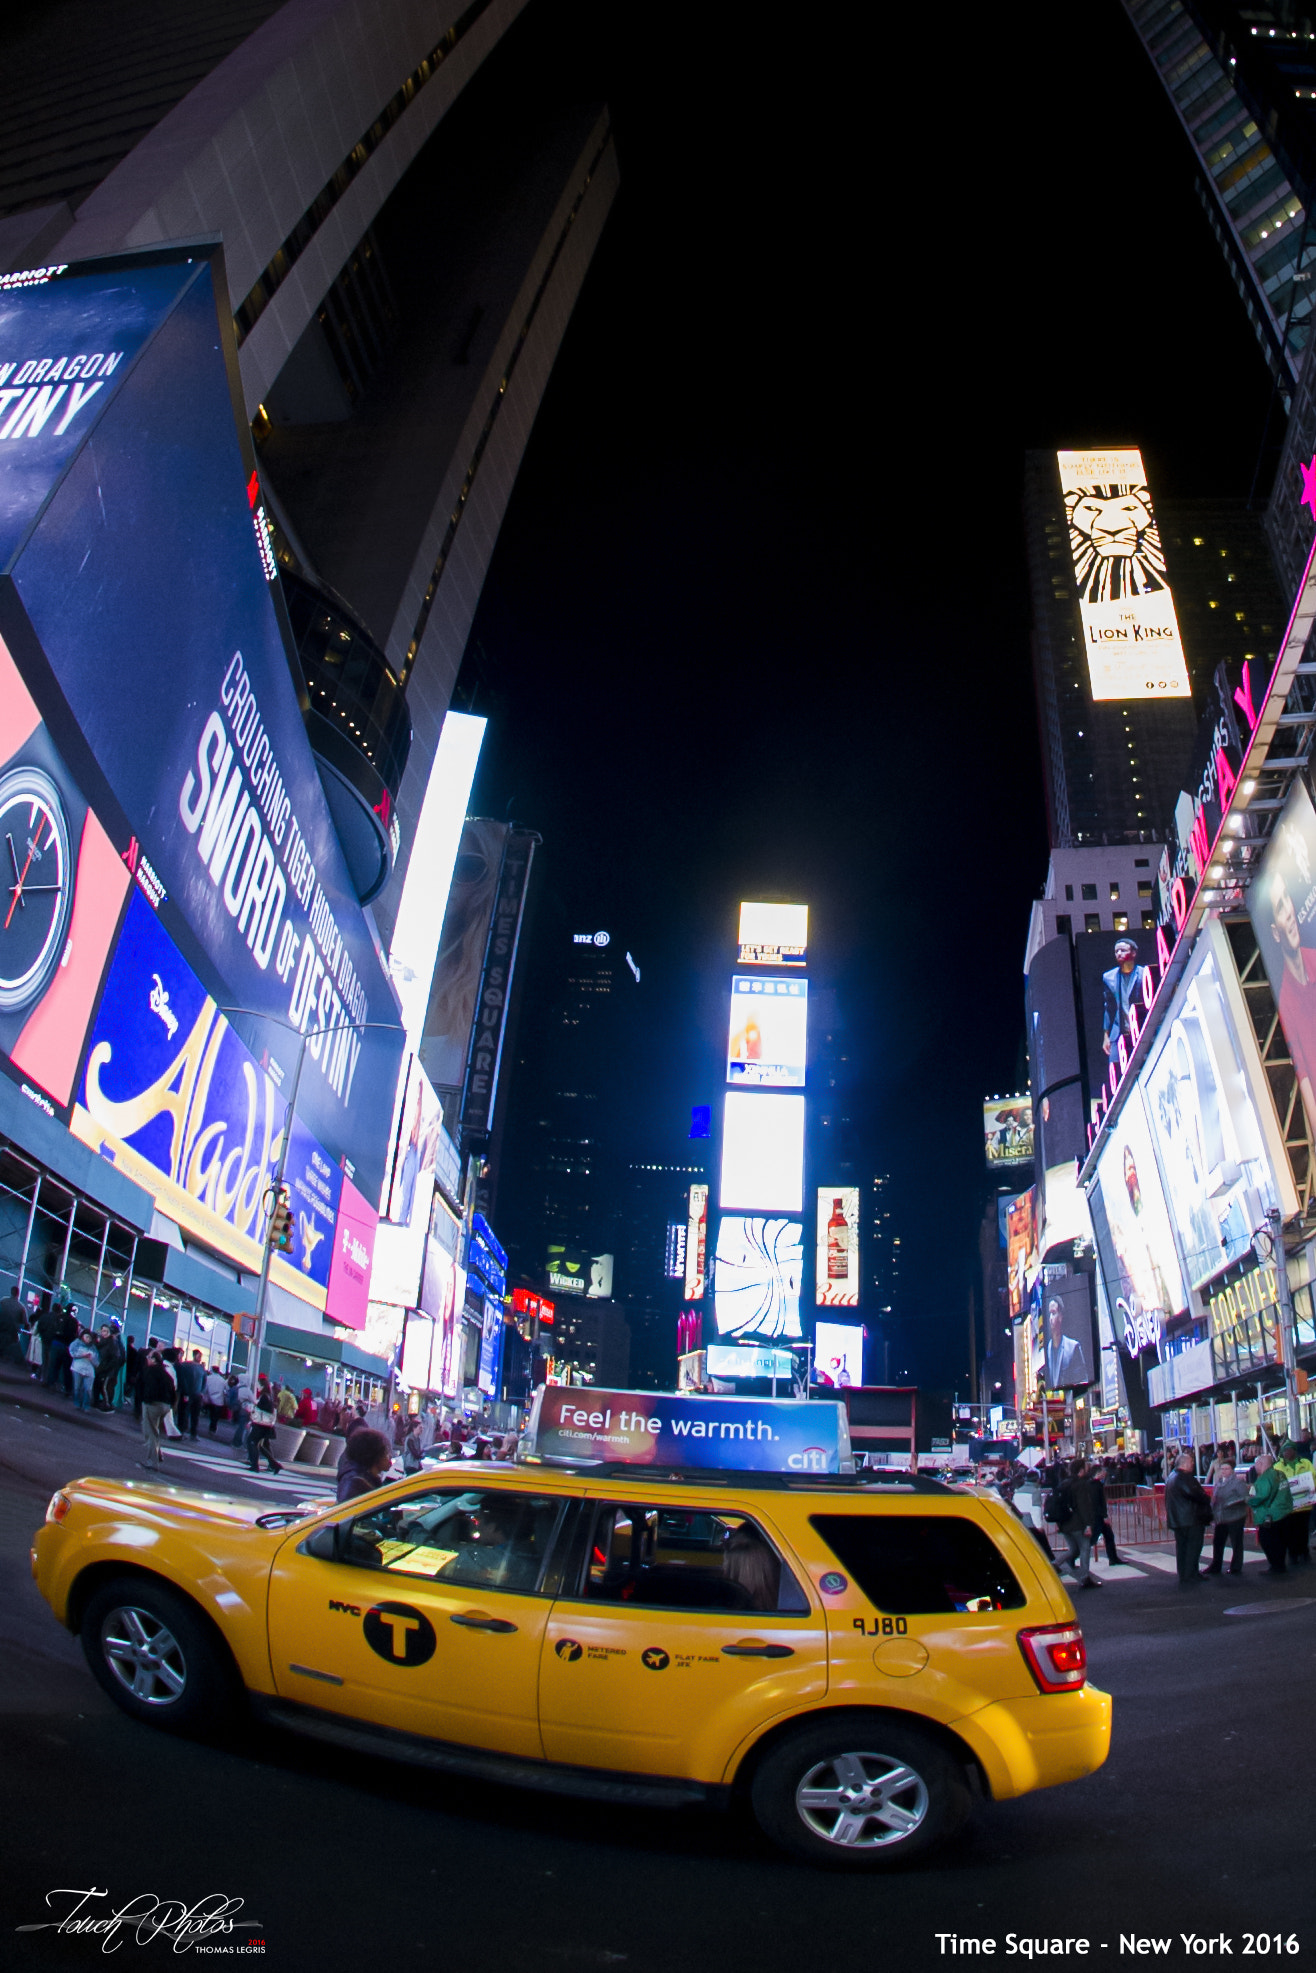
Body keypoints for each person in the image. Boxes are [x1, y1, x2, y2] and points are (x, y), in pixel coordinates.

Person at [1165, 1452, 1213, 1587]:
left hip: (1179, 1519)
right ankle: (1190, 1574)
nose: (1193, 1464)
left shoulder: (1172, 1477)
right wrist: (1205, 1498)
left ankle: (1186, 1574)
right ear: (1185, 1464)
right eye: (1191, 1462)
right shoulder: (1184, 1478)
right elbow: (1195, 1494)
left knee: (1183, 1548)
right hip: (1190, 1519)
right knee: (1193, 1547)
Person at [1056, 1458, 1102, 1590]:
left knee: (1074, 1549)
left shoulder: (1064, 1483)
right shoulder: (1081, 1484)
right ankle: (1084, 1577)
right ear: (1081, 1470)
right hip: (1077, 1523)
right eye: (1086, 1467)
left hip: (1064, 1523)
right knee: (1084, 1548)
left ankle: (1055, 1563)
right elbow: (1084, 1506)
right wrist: (1088, 1525)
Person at [1102, 938, 1149, 1059]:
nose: (1118, 953)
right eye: (1116, 951)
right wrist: (1106, 1035)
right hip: (1119, 1033)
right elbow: (1109, 1007)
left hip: (1142, 1026)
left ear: (1133, 953)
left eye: (1123, 950)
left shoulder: (1143, 973)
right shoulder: (1109, 977)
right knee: (1117, 1071)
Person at [1249, 1453, 1292, 1574]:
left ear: (1261, 1464)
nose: (1255, 1466)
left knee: (1268, 1541)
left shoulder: (1264, 1478)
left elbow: (1262, 1496)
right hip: (1284, 1512)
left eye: (1256, 1463)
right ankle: (1280, 1565)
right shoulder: (1280, 1474)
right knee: (1281, 1542)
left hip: (1270, 1516)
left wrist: (1249, 1500)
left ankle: (1275, 1566)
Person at [1205, 1460, 1249, 1576]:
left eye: (1226, 1469)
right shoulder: (1218, 1482)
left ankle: (1236, 1567)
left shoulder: (1238, 1483)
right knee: (1218, 1542)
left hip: (1236, 1517)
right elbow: (1215, 1501)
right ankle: (1216, 1565)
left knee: (1236, 1543)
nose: (1223, 1471)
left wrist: (1229, 1503)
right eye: (1222, 1469)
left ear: (1232, 1470)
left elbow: (1245, 1498)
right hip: (1221, 1518)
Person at [1274, 1440, 1313, 1566]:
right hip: (1287, 1506)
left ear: (1295, 1451)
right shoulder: (1277, 1466)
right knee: (1289, 1532)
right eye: (1285, 1450)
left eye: (1289, 1450)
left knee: (1303, 1530)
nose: (1287, 1453)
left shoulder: (1305, 1463)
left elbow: (1314, 1477)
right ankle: (1293, 1554)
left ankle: (1304, 1552)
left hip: (1304, 1504)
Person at [139, 1350, 175, 1471]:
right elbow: (172, 1388)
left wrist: (146, 1400)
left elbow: (148, 1387)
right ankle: (158, 1454)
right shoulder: (165, 1373)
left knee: (150, 1432)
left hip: (153, 1403)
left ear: (153, 1359)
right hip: (165, 1405)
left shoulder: (151, 1371)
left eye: (149, 1357)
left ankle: (152, 1461)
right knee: (155, 1430)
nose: (147, 1359)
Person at [1044, 1299, 1091, 1390]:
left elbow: (1083, 1381)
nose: (1050, 1318)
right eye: (1049, 1314)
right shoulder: (1047, 1349)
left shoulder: (1073, 1347)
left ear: (1061, 1316)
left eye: (1053, 1313)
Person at [336, 1427, 392, 1502]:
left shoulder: (362, 1478)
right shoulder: (357, 1483)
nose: (390, 1456)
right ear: (374, 1454)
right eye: (386, 1452)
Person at [245, 1381, 282, 1475]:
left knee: (252, 1442)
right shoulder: (269, 1396)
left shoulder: (264, 1396)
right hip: (266, 1425)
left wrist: (252, 1411)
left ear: (262, 1386)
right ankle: (274, 1465)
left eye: (258, 1385)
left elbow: (260, 1410)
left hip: (260, 1425)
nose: (257, 1387)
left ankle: (255, 1466)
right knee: (261, 1445)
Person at [1090, 1463, 1120, 1567]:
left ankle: (1113, 1558)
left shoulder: (1096, 1484)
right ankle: (1072, 1556)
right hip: (1098, 1517)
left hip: (1099, 1516)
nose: (1105, 1473)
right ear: (1098, 1473)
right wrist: (1104, 1516)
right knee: (1092, 1539)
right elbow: (1098, 1503)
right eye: (1103, 1471)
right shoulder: (1095, 1485)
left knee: (1108, 1536)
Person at [93, 1324, 125, 1411]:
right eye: (103, 1331)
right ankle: (99, 1402)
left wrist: (107, 1368)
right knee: (99, 1386)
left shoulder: (112, 1343)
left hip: (107, 1370)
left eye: (106, 1331)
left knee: (105, 1387)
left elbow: (116, 1358)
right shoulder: (104, 1342)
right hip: (102, 1368)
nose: (103, 1333)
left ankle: (107, 1404)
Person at [177, 1349, 206, 1439]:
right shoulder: (187, 1365)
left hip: (196, 1394)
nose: (200, 1358)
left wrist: (202, 1392)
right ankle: (182, 1430)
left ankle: (192, 1432)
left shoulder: (200, 1368)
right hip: (189, 1392)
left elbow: (204, 1381)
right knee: (185, 1412)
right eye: (198, 1356)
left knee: (194, 1414)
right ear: (194, 1356)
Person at [68, 1328, 97, 1411]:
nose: (88, 1339)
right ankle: (77, 1403)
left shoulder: (93, 1348)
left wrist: (92, 1358)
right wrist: (82, 1355)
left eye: (89, 1338)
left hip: (89, 1370)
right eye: (86, 1337)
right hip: (77, 1368)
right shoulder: (76, 1343)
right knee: (77, 1387)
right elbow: (72, 1353)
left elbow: (97, 1361)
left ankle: (86, 1406)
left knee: (87, 1389)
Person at [0, 1283, 26, 1367]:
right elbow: (24, 1321)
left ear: (11, 1292)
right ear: (18, 1294)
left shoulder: (3, 1301)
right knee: (7, 1352)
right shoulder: (21, 1307)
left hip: (1, 1328)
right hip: (12, 1332)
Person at [203, 1363, 228, 1435]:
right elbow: (225, 1391)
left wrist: (205, 1398)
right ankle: (213, 1429)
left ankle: (211, 1428)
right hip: (219, 1401)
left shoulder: (208, 1378)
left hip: (210, 1400)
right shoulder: (222, 1380)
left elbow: (205, 1389)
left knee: (211, 1414)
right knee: (215, 1417)